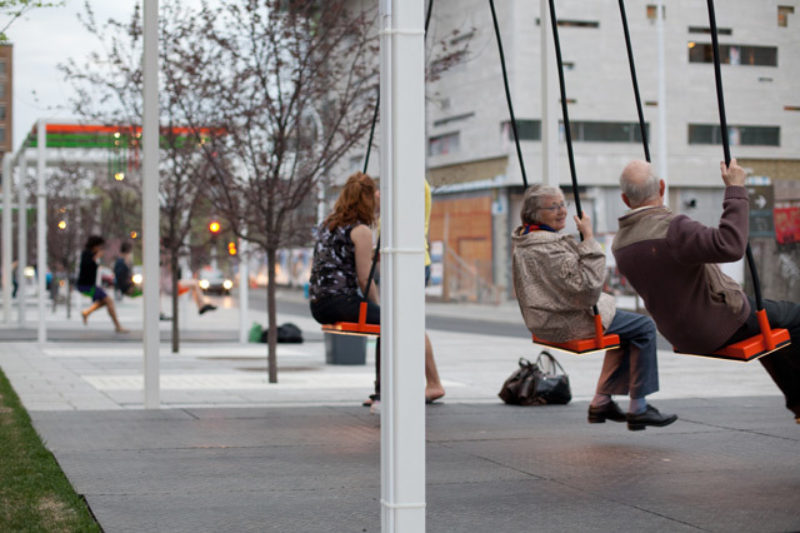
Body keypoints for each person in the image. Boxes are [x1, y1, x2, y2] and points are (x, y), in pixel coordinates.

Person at [614, 159, 800, 423]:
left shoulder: (620, 244)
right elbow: (731, 245)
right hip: (719, 323)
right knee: (795, 317)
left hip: (678, 333)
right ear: (662, 187)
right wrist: (735, 190)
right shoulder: (673, 229)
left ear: (624, 199)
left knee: (772, 332)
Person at [512, 184, 676, 431]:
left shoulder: (526, 240)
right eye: (553, 207)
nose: (562, 211)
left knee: (624, 332)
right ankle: (639, 408)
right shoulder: (546, 247)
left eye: (563, 204)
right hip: (566, 322)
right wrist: (589, 239)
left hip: (546, 318)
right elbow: (588, 288)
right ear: (534, 214)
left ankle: (601, 402)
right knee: (643, 327)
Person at [309, 172, 445, 410]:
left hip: (318, 304)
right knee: (394, 322)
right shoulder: (360, 231)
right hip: (341, 302)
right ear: (367, 199)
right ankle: (389, 392)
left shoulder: (326, 225)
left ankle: (383, 390)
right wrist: (375, 306)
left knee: (386, 322)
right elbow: (365, 278)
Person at [76, 235, 128, 333]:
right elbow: (87, 267)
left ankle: (86, 313)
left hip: (90, 285)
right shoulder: (86, 254)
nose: (100, 248)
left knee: (105, 302)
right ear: (95, 245)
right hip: (86, 286)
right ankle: (118, 326)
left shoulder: (91, 254)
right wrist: (96, 257)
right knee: (109, 301)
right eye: (99, 246)